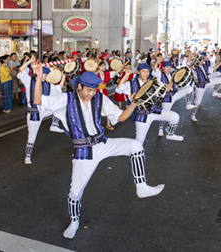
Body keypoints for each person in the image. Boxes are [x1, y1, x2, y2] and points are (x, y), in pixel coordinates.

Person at [33, 67, 164, 239]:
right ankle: (74, 222)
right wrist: (38, 78)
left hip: (103, 143)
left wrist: (133, 103)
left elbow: (122, 117)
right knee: (75, 193)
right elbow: (38, 100)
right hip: (83, 151)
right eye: (88, 90)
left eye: (94, 90)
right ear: (79, 86)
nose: (91, 94)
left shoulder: (100, 98)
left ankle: (141, 187)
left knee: (136, 146)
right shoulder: (65, 99)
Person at [116, 63, 183, 145]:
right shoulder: (131, 84)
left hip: (155, 110)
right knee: (139, 142)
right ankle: (135, 155)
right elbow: (118, 90)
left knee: (175, 117)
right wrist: (126, 74)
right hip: (142, 115)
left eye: (147, 71)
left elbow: (165, 92)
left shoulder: (152, 82)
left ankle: (170, 134)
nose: (146, 74)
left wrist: (172, 79)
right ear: (138, 72)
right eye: (143, 71)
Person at [17, 56, 65, 164]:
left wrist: (63, 78)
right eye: (45, 74)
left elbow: (58, 89)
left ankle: (54, 124)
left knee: (60, 105)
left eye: (47, 75)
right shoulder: (29, 81)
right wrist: (29, 61)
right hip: (34, 113)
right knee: (31, 137)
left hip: (43, 110)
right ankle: (27, 156)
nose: (46, 76)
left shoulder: (48, 85)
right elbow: (20, 70)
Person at [152, 60, 197, 136]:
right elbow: (154, 67)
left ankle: (188, 104)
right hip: (166, 98)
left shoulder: (172, 74)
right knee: (164, 115)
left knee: (189, 88)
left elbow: (182, 72)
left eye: (170, 67)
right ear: (163, 68)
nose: (168, 69)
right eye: (166, 67)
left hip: (175, 94)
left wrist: (189, 68)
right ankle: (160, 129)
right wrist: (158, 61)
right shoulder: (160, 75)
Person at [190, 52, 221, 122]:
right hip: (199, 86)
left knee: (219, 75)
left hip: (207, 82)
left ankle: (215, 92)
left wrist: (219, 63)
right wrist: (191, 57)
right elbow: (189, 65)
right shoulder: (194, 67)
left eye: (202, 59)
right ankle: (193, 115)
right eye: (200, 59)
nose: (202, 61)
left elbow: (213, 69)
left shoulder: (204, 65)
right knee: (197, 102)